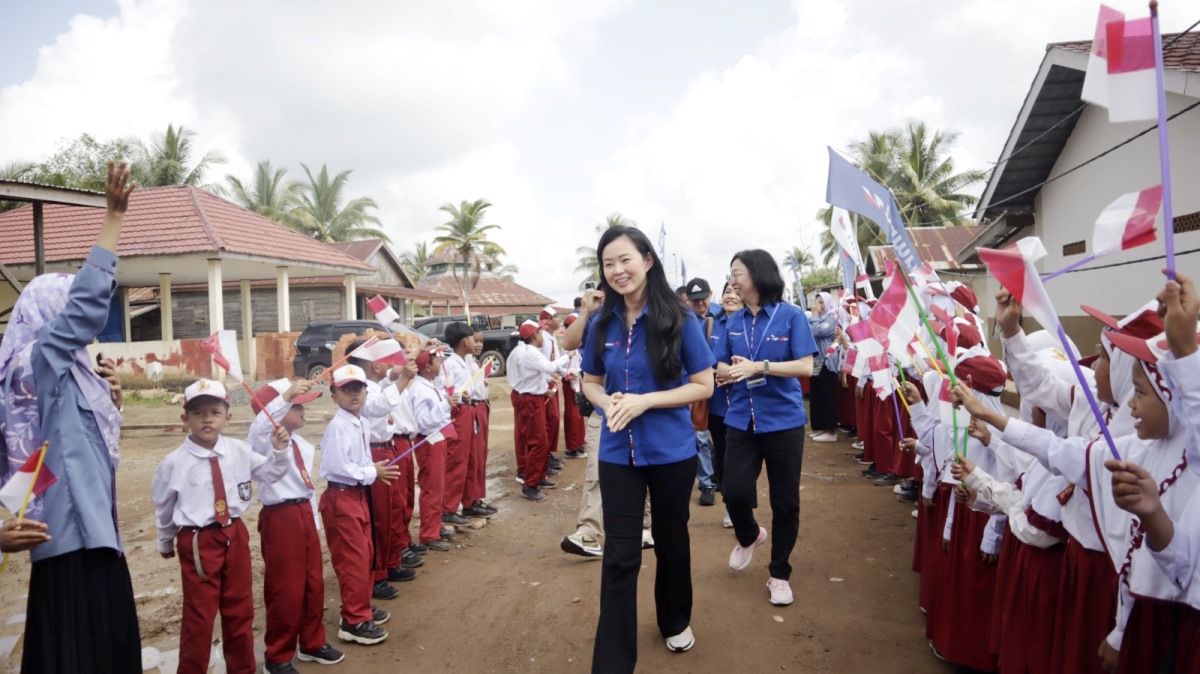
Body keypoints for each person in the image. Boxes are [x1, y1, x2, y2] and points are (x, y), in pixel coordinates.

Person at [0, 161, 142, 673]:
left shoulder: (65, 378)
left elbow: (79, 444)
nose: (82, 329)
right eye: (62, 315)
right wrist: (112, 219)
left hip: (97, 541)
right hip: (71, 547)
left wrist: (113, 402)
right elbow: (84, 308)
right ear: (44, 317)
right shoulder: (38, 361)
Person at [581, 225, 715, 672]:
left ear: (648, 261)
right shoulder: (601, 323)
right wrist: (606, 402)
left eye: (625, 260)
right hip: (618, 454)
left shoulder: (679, 318)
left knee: (672, 539)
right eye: (608, 263)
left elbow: (703, 385)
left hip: (672, 453)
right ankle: (613, 660)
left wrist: (646, 401)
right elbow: (591, 381)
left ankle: (674, 618)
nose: (618, 270)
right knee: (620, 554)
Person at [153, 378, 292, 673]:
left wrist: (279, 451)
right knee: (200, 615)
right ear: (185, 419)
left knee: (239, 609)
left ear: (228, 418)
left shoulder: (239, 451)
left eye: (215, 412)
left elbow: (269, 473)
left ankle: (242, 669)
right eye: (198, 413)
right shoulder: (173, 462)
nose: (207, 419)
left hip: (234, 533)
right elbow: (164, 506)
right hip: (198, 540)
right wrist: (165, 541)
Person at [714, 249, 817, 608]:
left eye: (738, 273)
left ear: (758, 275)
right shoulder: (732, 321)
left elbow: (805, 367)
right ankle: (750, 534)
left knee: (785, 501)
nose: (733, 281)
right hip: (741, 417)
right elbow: (721, 365)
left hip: (783, 422)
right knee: (733, 490)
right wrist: (730, 371)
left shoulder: (791, 316)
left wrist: (763, 366)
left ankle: (779, 573)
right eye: (731, 274)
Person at [247, 378, 346, 672]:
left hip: (303, 514)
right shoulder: (262, 441)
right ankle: (277, 655)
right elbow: (259, 426)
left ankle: (312, 642)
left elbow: (308, 488)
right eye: (296, 406)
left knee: (312, 583)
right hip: (280, 518)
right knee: (285, 589)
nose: (303, 410)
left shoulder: (301, 444)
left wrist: (313, 522)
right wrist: (285, 397)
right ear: (275, 410)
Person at [319, 365, 401, 645]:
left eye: (358, 388)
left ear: (366, 391)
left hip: (357, 493)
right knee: (353, 558)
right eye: (346, 389)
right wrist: (371, 472)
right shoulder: (338, 426)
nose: (353, 394)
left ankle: (360, 606)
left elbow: (359, 461)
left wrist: (370, 467)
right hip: (342, 496)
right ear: (334, 395)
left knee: (365, 552)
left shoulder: (360, 422)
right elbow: (336, 466)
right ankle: (353, 620)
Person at [509, 320, 569, 501]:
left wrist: (546, 385)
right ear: (535, 335)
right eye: (541, 333)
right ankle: (531, 484)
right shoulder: (531, 353)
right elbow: (549, 367)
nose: (543, 337)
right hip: (530, 399)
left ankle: (537, 476)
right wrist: (569, 355)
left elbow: (534, 373)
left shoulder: (521, 351)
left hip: (529, 396)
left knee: (537, 439)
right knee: (538, 442)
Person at [410, 349, 455, 550]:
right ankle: (429, 533)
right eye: (437, 361)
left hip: (437, 438)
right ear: (428, 367)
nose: (441, 364)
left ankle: (436, 525)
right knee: (431, 488)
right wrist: (445, 406)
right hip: (428, 441)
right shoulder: (419, 390)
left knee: (439, 486)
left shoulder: (429, 386)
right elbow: (421, 422)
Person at [709, 282, 743, 528]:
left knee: (740, 457)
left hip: (743, 403)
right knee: (720, 453)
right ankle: (729, 503)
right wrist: (713, 373)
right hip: (716, 403)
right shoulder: (710, 324)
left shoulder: (750, 324)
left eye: (735, 291)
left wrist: (732, 373)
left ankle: (738, 505)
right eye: (727, 292)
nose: (731, 296)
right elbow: (699, 358)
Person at [682, 277, 717, 506]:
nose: (700, 303)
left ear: (710, 295)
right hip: (688, 387)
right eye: (695, 300)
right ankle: (705, 483)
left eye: (703, 298)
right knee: (697, 436)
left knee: (703, 436)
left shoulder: (720, 318)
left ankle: (709, 480)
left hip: (716, 384)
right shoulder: (684, 321)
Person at [439, 322, 478, 526]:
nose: (475, 342)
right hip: (457, 414)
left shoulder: (464, 361)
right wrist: (457, 396)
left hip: (467, 411)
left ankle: (469, 501)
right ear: (465, 341)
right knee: (457, 462)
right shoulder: (450, 365)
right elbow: (442, 390)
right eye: (472, 338)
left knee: (470, 459)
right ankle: (448, 508)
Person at [807, 291, 839, 443]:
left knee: (827, 395)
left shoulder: (831, 319)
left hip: (827, 361)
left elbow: (818, 331)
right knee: (817, 395)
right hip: (816, 361)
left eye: (821, 302)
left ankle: (831, 431)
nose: (817, 305)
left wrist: (813, 316)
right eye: (816, 302)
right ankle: (822, 428)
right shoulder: (817, 319)